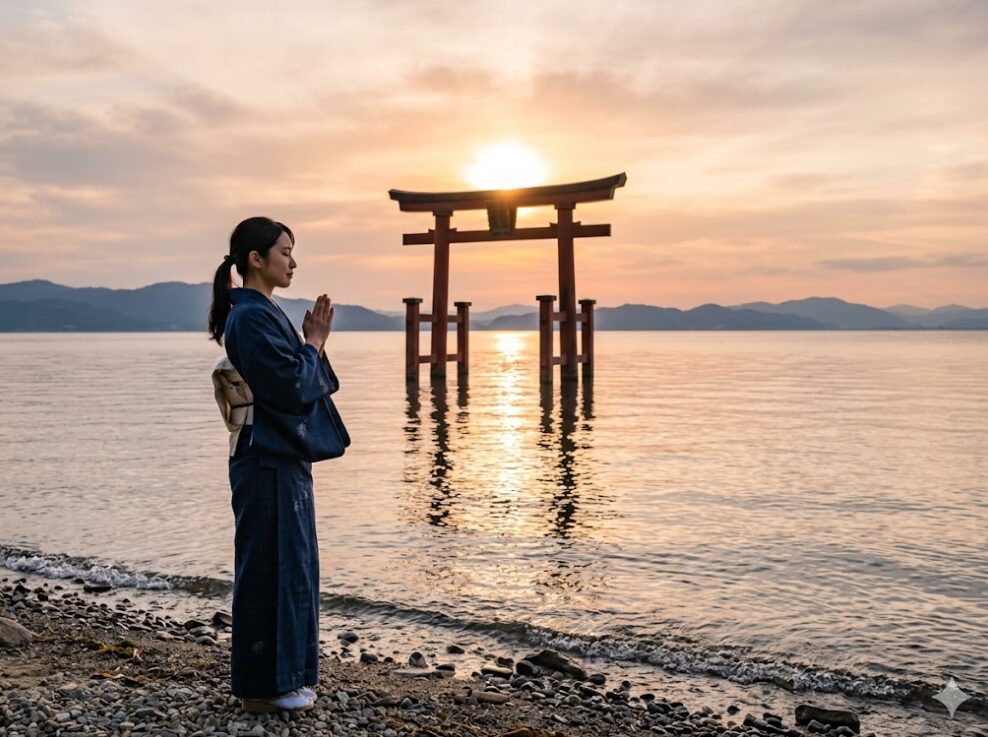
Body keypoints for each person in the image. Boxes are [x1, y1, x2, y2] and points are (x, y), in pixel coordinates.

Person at [207, 216, 347, 714]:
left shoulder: (259, 312)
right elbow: (289, 388)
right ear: (256, 260)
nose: (293, 261)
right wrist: (313, 344)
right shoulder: (250, 317)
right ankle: (266, 686)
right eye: (285, 251)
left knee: (289, 565)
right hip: (265, 458)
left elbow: (291, 384)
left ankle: (276, 682)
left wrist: (310, 345)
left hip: (274, 456)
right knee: (272, 567)